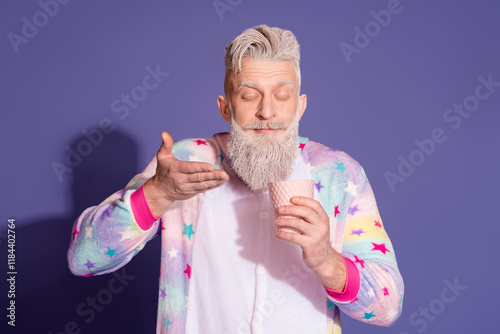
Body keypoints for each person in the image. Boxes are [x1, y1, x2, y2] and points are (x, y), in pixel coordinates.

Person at [67, 24, 404, 333]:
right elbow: (84, 258)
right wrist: (156, 194)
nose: (267, 112)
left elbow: (387, 308)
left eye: (282, 96)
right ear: (226, 107)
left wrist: (326, 259)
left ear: (300, 107)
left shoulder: (338, 175)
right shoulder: (185, 164)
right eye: (248, 95)